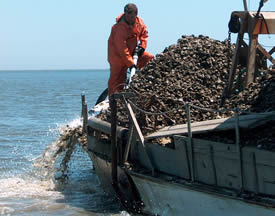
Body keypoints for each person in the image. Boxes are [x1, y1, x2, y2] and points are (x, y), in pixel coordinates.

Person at [107, 3, 154, 96]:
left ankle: (144, 84)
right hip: (117, 56)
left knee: (149, 59)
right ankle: (113, 99)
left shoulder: (139, 22)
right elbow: (122, 49)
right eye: (129, 16)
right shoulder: (119, 28)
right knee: (117, 79)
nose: (131, 19)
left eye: (133, 16)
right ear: (125, 14)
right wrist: (131, 63)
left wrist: (142, 47)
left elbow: (144, 34)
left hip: (133, 52)